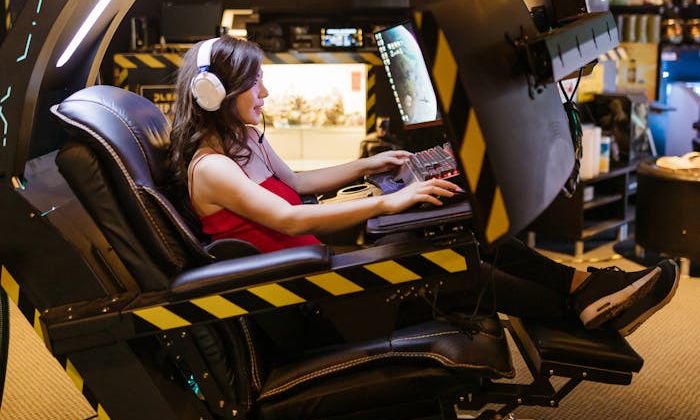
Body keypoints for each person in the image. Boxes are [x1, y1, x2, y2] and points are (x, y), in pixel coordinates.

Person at [168, 35, 679, 338]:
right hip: (312, 298)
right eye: (255, 82)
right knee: (461, 267)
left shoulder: (246, 142)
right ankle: (583, 310)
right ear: (216, 93)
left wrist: (368, 165)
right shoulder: (211, 167)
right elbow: (289, 217)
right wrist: (391, 198)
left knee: (464, 232)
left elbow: (298, 183)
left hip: (320, 272)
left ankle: (582, 287)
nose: (265, 92)